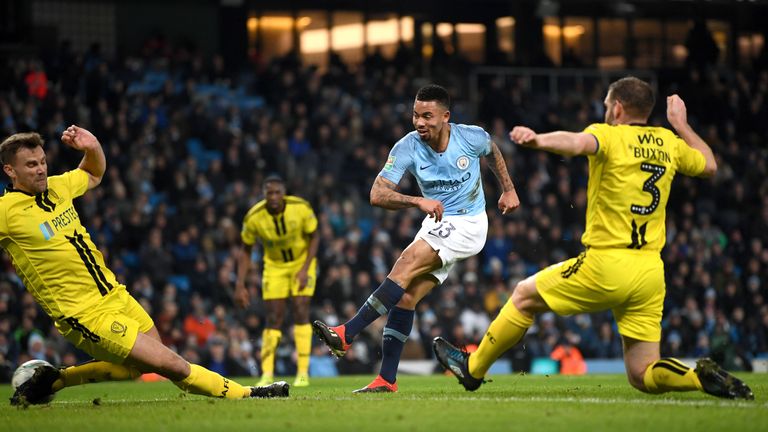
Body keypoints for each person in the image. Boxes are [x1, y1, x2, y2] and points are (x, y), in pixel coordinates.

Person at [433, 77, 754, 400]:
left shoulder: (609, 135)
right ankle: (698, 378)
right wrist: (681, 125)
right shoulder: (668, 142)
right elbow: (710, 165)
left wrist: (538, 139)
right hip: (650, 271)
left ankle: (473, 369)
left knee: (522, 295)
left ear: (617, 108)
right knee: (643, 374)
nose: (604, 112)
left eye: (605, 106)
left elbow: (576, 143)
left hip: (607, 263)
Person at [2, 127, 289, 406]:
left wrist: (93, 146)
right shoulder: (6, 212)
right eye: (30, 165)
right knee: (171, 364)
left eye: (42, 162)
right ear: (10, 171)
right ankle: (250, 394)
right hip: (83, 313)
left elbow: (93, 173)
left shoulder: (57, 187)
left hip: (115, 295)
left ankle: (56, 380)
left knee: (139, 366)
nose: (40, 169)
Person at [312, 84, 520, 393]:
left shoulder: (470, 137)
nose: (420, 122)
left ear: (445, 116)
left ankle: (346, 333)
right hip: (435, 220)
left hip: (468, 222)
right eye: (415, 115)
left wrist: (508, 188)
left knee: (405, 263)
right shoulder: (407, 146)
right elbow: (376, 194)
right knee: (406, 297)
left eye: (427, 115)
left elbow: (493, 151)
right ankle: (387, 379)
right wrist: (416, 201)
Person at [234, 174, 319, 387]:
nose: (273, 197)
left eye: (277, 192)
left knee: (301, 310)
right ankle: (267, 373)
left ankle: (302, 372)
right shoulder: (254, 217)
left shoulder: (300, 208)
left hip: (301, 264)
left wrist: (305, 268)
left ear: (284, 193)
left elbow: (314, 237)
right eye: (269, 192)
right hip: (274, 268)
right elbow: (245, 250)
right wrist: (240, 284)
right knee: (273, 318)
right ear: (263, 194)